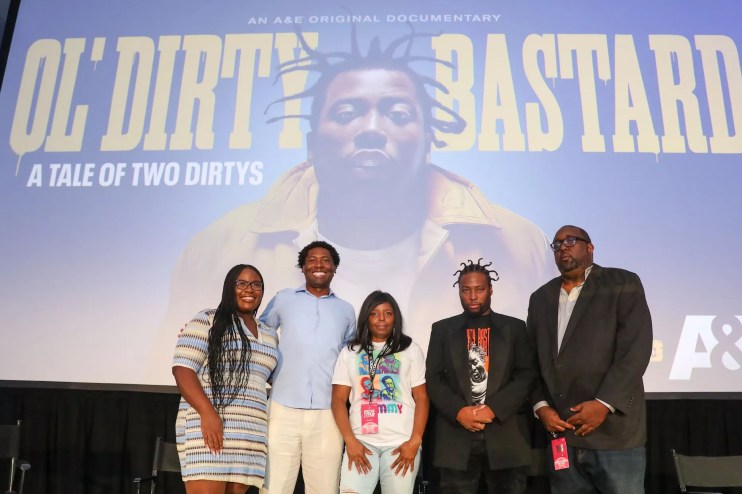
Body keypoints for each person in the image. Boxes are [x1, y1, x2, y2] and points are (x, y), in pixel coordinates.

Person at [152, 28, 555, 381]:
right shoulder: (221, 245)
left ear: (428, 142)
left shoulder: (517, 242)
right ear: (312, 145)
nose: (372, 130)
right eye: (346, 113)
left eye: (398, 114)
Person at [526, 225, 653, 493]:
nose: (563, 247)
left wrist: (603, 404)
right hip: (562, 433)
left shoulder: (622, 283)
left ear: (590, 248)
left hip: (613, 434)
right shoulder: (540, 298)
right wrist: (541, 407)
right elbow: (531, 361)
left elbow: (635, 351)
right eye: (557, 244)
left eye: (571, 241)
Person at [425, 259, 534, 494]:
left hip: (505, 437)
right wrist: (458, 411)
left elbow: (526, 375)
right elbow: (433, 379)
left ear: (490, 290)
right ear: (459, 292)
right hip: (455, 438)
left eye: (479, 289)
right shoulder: (442, 329)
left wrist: (493, 409)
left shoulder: (514, 328)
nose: (473, 296)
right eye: (466, 290)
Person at [258, 240, 356, 494]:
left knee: (325, 489)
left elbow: (351, 358)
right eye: (312, 260)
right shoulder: (283, 299)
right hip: (282, 408)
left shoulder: (346, 310)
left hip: (328, 412)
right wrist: (266, 372)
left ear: (334, 267)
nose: (318, 265)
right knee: (274, 487)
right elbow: (257, 335)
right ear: (302, 267)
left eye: (325, 260)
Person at [172, 264, 278, 494]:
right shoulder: (208, 320)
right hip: (211, 427)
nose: (249, 289)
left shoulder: (269, 333)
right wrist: (208, 414)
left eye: (256, 284)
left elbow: (268, 377)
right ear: (229, 287)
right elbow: (183, 370)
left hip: (250, 434)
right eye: (242, 283)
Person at [331, 290, 429, 494]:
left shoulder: (410, 349)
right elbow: (338, 400)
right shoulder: (350, 352)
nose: (381, 319)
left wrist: (415, 441)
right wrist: (350, 441)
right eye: (374, 314)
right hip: (361, 442)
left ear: (395, 318)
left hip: (401, 444)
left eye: (388, 313)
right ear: (366, 318)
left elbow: (421, 398)